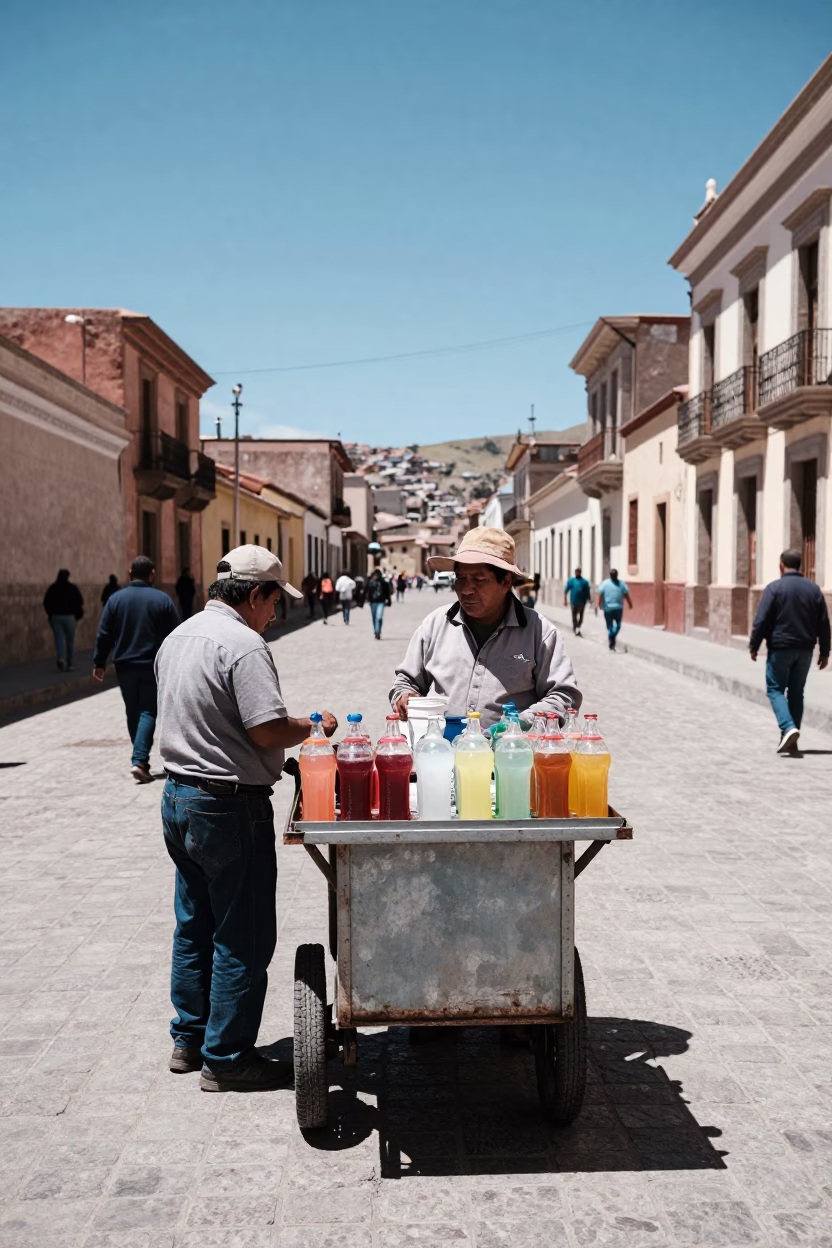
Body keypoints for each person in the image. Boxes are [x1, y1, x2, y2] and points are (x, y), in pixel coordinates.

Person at [155, 544, 337, 1091]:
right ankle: (229, 1058)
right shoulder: (245, 645)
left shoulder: (179, 636)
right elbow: (264, 728)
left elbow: (210, 723)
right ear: (255, 594)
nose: (276, 612)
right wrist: (312, 723)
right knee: (243, 933)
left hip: (180, 799)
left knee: (195, 926)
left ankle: (189, 1040)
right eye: (274, 600)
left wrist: (263, 757)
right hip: (228, 809)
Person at [391, 528, 581, 729]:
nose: (466, 589)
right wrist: (405, 696)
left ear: (506, 582)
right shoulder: (434, 625)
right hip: (441, 753)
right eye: (460, 578)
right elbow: (406, 681)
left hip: (511, 755)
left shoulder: (540, 632)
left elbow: (564, 696)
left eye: (479, 579)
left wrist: (517, 725)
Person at [92, 555, 180, 783]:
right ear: (152, 574)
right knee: (148, 711)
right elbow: (176, 635)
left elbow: (104, 634)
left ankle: (139, 758)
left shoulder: (115, 600)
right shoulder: (163, 600)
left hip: (124, 665)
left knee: (133, 710)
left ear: (130, 573)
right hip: (152, 665)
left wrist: (99, 662)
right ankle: (139, 760)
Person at [749, 549, 830, 753]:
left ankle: (788, 728)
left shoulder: (774, 588)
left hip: (780, 649)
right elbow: (824, 623)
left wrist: (754, 645)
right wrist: (825, 651)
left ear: (781, 565)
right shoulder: (814, 590)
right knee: (796, 693)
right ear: (800, 565)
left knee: (775, 689)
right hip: (805, 650)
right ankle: (791, 739)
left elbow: (761, 620)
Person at [43, 569, 84, 671]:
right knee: (70, 641)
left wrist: (50, 613)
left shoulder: (53, 588)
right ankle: (70, 664)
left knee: (59, 639)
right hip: (70, 617)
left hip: (56, 617)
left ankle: (61, 658)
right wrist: (76, 614)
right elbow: (80, 601)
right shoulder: (72, 588)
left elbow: (46, 602)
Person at [597, 569, 632, 652]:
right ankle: (612, 643)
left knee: (618, 625)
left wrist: (630, 603)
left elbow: (626, 594)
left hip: (618, 608)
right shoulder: (605, 583)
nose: (613, 575)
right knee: (610, 626)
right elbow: (600, 594)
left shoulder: (621, 584)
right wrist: (599, 604)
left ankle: (611, 637)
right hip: (608, 608)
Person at [564, 567, 591, 636]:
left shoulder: (584, 582)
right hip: (573, 601)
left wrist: (589, 599)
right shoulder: (571, 581)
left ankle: (578, 626)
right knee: (574, 616)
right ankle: (575, 628)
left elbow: (588, 592)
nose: (577, 573)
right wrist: (565, 600)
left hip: (582, 602)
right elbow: (566, 591)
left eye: (578, 572)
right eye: (576, 572)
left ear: (580, 572)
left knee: (581, 618)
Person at [366, 568, 392, 640]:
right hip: (373, 602)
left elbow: (387, 593)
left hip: (381, 602)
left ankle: (378, 631)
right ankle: (376, 631)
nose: (375, 576)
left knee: (379, 617)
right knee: (374, 617)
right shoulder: (370, 583)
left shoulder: (383, 583)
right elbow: (367, 592)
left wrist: (389, 601)